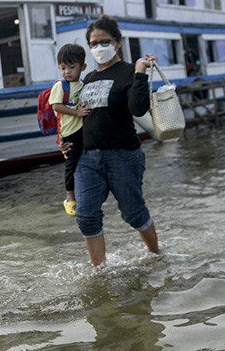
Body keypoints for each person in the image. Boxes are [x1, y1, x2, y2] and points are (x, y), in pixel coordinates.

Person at [68, 14, 160, 267]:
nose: (99, 48)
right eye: (93, 44)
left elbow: (138, 108)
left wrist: (140, 73)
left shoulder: (129, 71)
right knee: (86, 216)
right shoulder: (88, 79)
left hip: (123, 155)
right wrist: (69, 142)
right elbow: (84, 117)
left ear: (117, 42)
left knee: (133, 212)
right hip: (88, 158)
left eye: (104, 41)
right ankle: (100, 269)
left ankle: (156, 254)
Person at [49, 44, 89, 217]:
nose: (67, 72)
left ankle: (83, 192)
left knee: (84, 160)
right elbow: (56, 106)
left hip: (83, 129)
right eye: (63, 68)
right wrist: (76, 112)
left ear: (83, 67)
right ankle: (69, 197)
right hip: (69, 131)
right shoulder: (60, 86)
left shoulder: (83, 85)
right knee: (71, 163)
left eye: (72, 67)